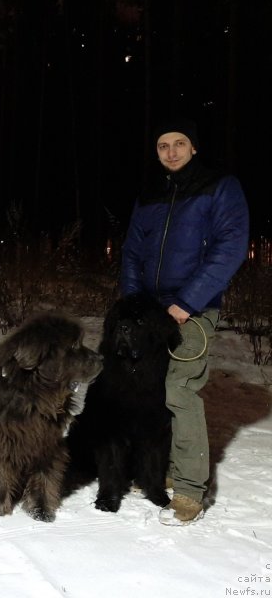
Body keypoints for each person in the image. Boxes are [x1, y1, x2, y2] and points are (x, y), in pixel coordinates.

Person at [120, 117, 249, 526]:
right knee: (152, 389)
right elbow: (132, 253)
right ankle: (166, 469)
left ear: (193, 147)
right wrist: (135, 303)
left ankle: (191, 489)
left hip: (194, 308)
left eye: (179, 143)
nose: (171, 151)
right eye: (163, 145)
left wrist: (187, 301)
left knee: (180, 389)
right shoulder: (150, 193)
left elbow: (231, 246)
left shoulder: (219, 186)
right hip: (151, 309)